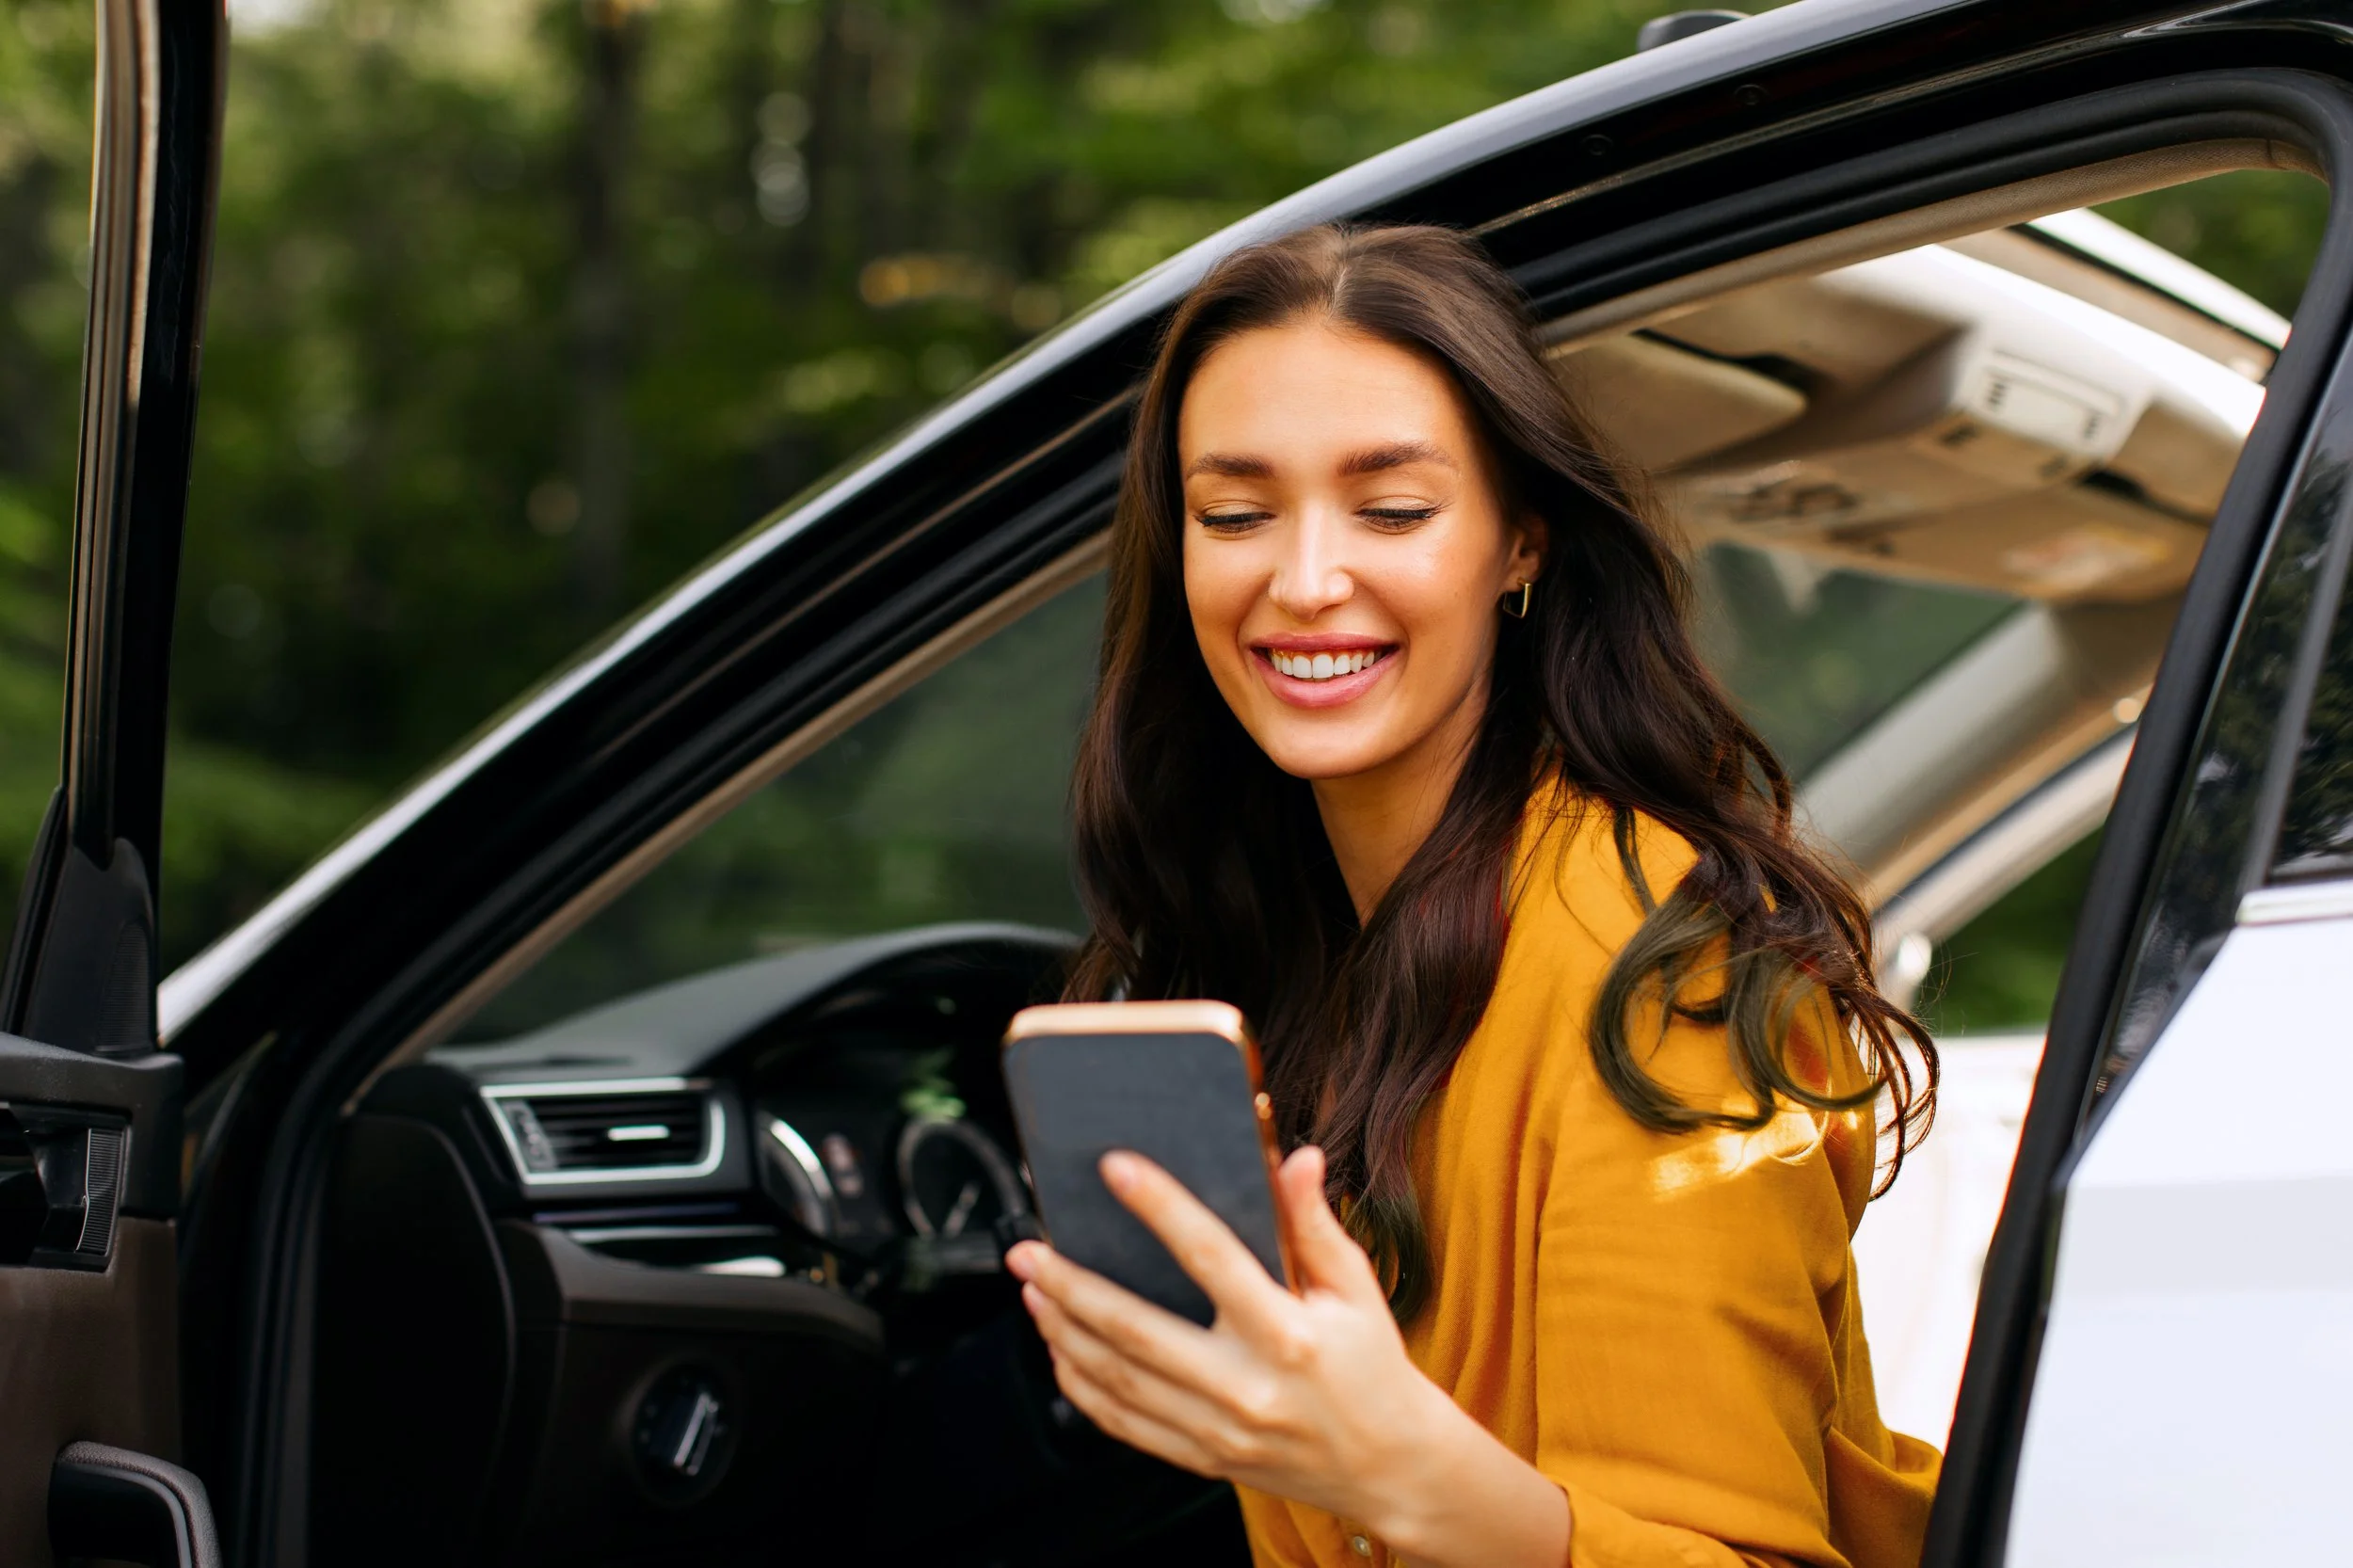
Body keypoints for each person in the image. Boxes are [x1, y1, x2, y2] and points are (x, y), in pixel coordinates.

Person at [1003, 222, 1943, 1568]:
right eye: (1235, 512)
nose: (1306, 579)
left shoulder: (1658, 961)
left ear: (1521, 545)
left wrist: (1389, 1465)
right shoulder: (1299, 939)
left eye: (1392, 508)